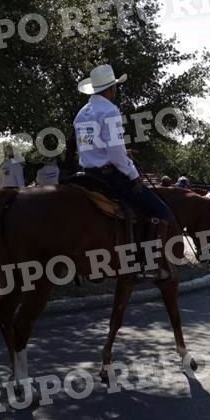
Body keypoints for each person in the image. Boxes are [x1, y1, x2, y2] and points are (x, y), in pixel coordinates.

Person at [73, 64, 176, 279]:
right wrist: (133, 174)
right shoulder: (110, 111)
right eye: (115, 87)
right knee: (160, 210)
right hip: (109, 176)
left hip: (85, 175)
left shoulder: (82, 113)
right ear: (111, 89)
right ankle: (148, 264)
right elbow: (115, 154)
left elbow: (93, 146)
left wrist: (120, 153)